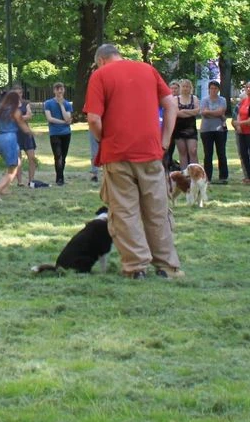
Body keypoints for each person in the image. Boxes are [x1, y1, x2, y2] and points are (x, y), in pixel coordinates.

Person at [86, 44, 181, 279]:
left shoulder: (100, 76)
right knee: (157, 210)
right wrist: (165, 142)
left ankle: (136, 267)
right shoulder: (148, 70)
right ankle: (167, 266)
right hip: (150, 151)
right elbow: (171, 105)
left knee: (124, 211)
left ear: (100, 60)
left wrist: (104, 139)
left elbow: (94, 119)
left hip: (117, 154)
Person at [0, 90, 34, 201]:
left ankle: (4, 188)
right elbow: (24, 128)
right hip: (10, 140)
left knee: (16, 163)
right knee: (12, 170)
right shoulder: (15, 112)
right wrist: (34, 133)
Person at [199, 80, 229, 184]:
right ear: (208, 89)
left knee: (221, 153)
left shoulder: (222, 100)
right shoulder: (204, 100)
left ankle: (223, 176)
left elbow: (221, 111)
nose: (213, 90)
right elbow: (203, 113)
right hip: (206, 130)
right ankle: (207, 177)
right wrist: (217, 114)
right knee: (208, 154)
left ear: (218, 89)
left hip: (220, 129)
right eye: (211, 88)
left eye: (215, 88)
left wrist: (210, 112)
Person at [44, 82, 73, 185]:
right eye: (57, 89)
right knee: (58, 156)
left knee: (63, 157)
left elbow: (67, 118)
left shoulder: (67, 104)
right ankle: (59, 179)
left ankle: (61, 176)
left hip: (66, 133)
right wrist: (64, 122)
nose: (59, 91)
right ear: (54, 91)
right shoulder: (48, 103)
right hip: (54, 133)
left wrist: (61, 105)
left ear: (64, 90)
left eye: (61, 89)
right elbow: (50, 119)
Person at [233, 82, 250, 184]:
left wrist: (238, 123)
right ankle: (248, 176)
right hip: (241, 132)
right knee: (243, 154)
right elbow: (239, 114)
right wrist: (238, 126)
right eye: (247, 87)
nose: (248, 89)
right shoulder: (244, 101)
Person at [173, 79, 200, 169]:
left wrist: (184, 111)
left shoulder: (194, 98)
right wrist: (190, 112)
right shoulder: (176, 99)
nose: (185, 88)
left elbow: (197, 111)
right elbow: (177, 113)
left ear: (190, 88)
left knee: (193, 151)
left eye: (187, 87)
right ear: (181, 88)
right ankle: (184, 175)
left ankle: (195, 174)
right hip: (179, 129)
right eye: (183, 86)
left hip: (191, 128)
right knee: (182, 152)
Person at [15, 87, 39, 186]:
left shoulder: (26, 103)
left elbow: (29, 115)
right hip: (15, 134)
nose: (18, 95)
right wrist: (23, 117)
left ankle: (31, 180)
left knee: (32, 157)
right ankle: (20, 181)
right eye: (16, 93)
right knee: (18, 159)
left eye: (20, 93)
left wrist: (18, 118)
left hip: (26, 133)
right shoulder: (10, 105)